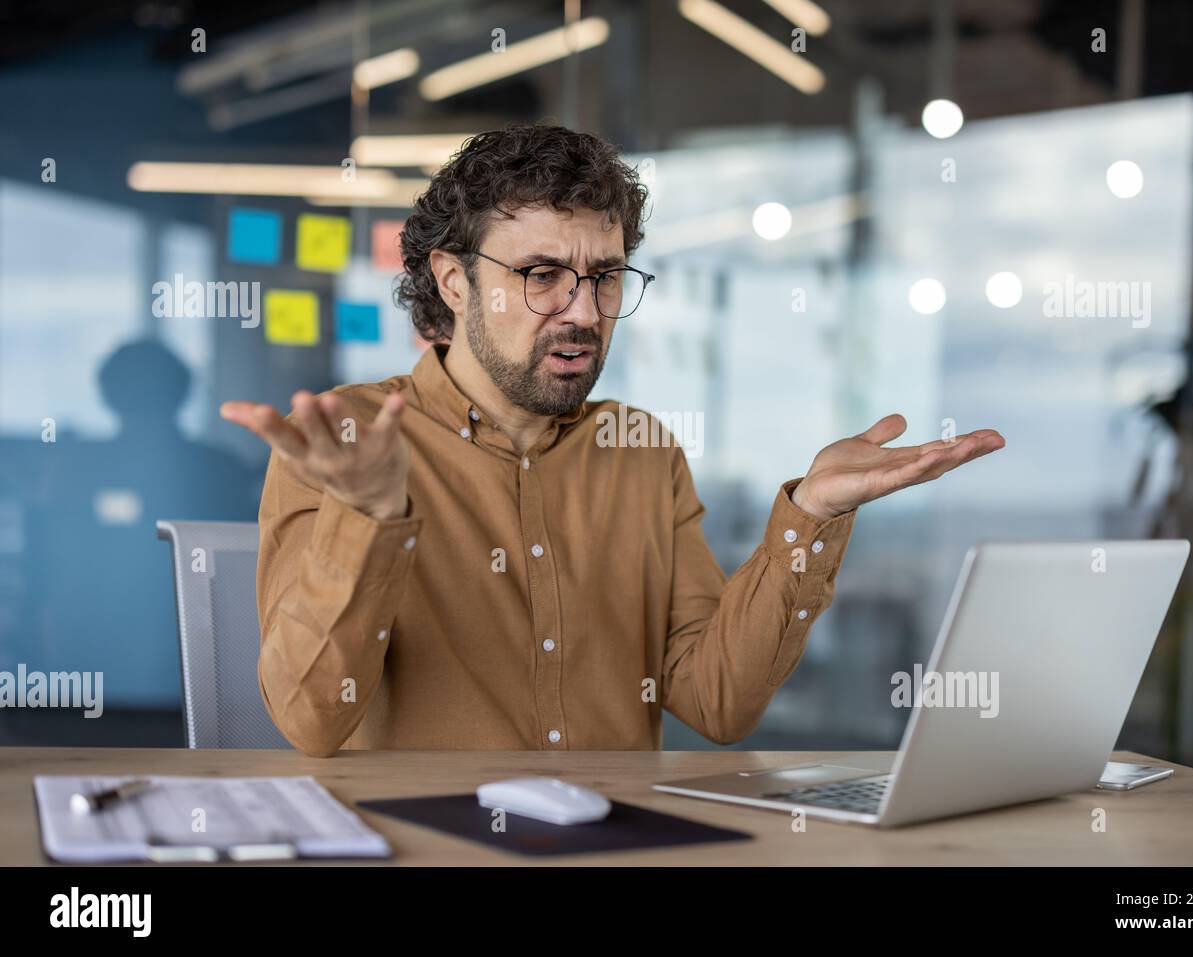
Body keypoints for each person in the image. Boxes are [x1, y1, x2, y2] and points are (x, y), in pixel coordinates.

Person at [220, 122, 1004, 757]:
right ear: (454, 282)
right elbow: (312, 722)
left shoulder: (642, 449)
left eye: (605, 275)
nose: (584, 311)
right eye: (542, 274)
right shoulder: (347, 440)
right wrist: (367, 516)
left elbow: (717, 703)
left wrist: (814, 516)